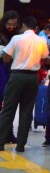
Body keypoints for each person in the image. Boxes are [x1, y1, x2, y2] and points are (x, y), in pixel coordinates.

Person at [0, 15, 50, 152]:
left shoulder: (17, 38)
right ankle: (21, 145)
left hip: (17, 76)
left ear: (23, 26)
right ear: (35, 28)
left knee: (8, 110)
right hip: (32, 78)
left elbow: (5, 58)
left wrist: (13, 58)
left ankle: (0, 143)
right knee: (26, 111)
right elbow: (45, 58)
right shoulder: (41, 40)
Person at [0, 10, 20, 144]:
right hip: (1, 70)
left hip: (12, 71)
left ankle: (8, 133)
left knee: (9, 103)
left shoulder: (18, 36)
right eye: (9, 24)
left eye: (14, 24)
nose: (11, 27)